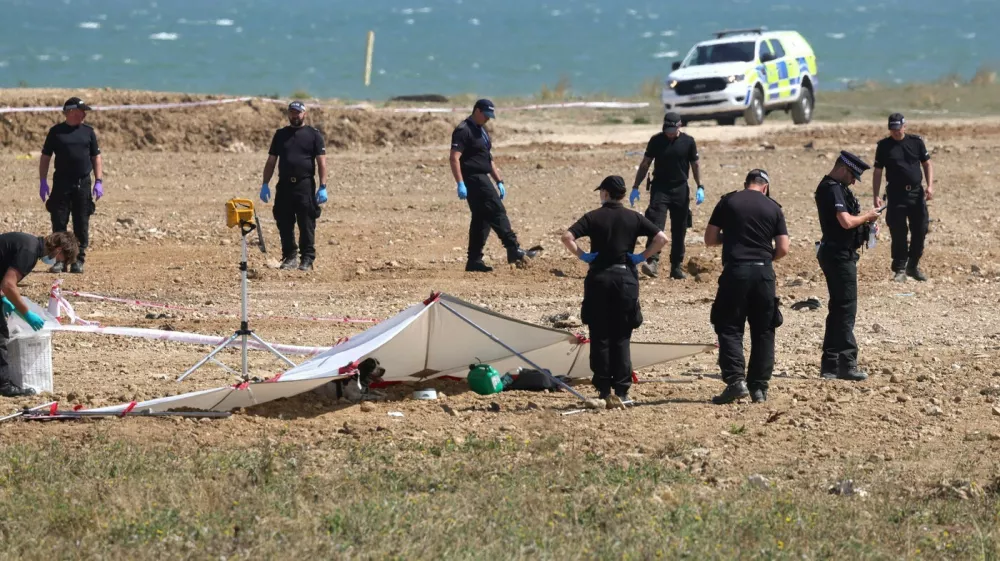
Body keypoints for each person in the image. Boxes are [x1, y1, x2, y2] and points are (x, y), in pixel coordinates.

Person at [560, 175, 668, 408]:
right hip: (625, 279)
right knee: (622, 336)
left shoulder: (593, 217)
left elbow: (567, 237)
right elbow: (661, 238)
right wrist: (642, 257)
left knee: (599, 335)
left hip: (599, 278)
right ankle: (622, 390)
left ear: (606, 193)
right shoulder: (633, 217)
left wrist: (582, 255)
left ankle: (603, 390)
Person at [704, 169, 790, 404]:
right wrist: (764, 257)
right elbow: (783, 248)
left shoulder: (728, 201)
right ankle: (759, 388)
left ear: (746, 184)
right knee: (764, 329)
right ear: (765, 187)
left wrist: (732, 236)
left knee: (729, 326)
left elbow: (710, 239)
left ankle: (735, 381)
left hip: (735, 271)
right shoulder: (773, 207)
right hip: (763, 272)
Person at [450, 99, 538, 272]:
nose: (488, 119)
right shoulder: (463, 130)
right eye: (486, 115)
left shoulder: (482, 132)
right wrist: (460, 182)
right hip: (473, 178)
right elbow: (454, 157)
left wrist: (499, 181)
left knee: (481, 219)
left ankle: (474, 261)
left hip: (483, 176)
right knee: (497, 210)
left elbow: (488, 159)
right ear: (477, 111)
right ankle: (513, 249)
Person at [815, 151, 881, 381]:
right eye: (853, 175)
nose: (853, 181)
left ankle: (830, 365)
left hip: (840, 253)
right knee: (845, 310)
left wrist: (867, 226)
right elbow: (845, 222)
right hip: (838, 255)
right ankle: (846, 363)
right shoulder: (832, 188)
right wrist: (866, 217)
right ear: (843, 168)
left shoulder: (836, 188)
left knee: (838, 310)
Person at [0, 232, 79, 397]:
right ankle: (4, 385)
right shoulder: (29, 251)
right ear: (58, 249)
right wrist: (26, 313)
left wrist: (3, 298)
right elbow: (9, 284)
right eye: (60, 258)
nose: (57, 262)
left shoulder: (29, 244)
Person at [630, 111, 704, 280]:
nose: (669, 134)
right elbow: (645, 164)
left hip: (680, 189)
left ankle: (676, 267)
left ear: (679, 126)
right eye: (666, 130)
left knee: (680, 229)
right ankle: (652, 262)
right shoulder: (656, 140)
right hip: (660, 188)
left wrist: (700, 186)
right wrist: (636, 186)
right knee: (655, 225)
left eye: (672, 130)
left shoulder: (688, 142)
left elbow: (695, 165)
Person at [260, 101, 328, 271]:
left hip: (304, 185)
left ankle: (307, 258)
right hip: (284, 185)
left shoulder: (313, 135)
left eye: (298, 113)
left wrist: (323, 186)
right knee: (284, 221)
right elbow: (271, 161)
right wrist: (265, 184)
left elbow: (322, 163)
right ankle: (290, 256)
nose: (294, 116)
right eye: (292, 112)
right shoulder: (280, 135)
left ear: (304, 114)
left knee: (306, 222)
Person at [39, 97, 103, 274]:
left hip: (82, 183)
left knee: (81, 222)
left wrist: (98, 181)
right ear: (71, 112)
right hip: (61, 183)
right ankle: (59, 261)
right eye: (82, 111)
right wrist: (43, 181)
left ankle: (78, 260)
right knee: (59, 222)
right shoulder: (56, 132)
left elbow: (96, 157)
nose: (84, 114)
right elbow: (45, 157)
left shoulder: (88, 132)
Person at [873, 113, 934, 282]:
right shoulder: (884, 146)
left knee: (920, 229)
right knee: (898, 232)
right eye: (892, 129)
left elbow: (927, 164)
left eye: (898, 128)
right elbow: (878, 172)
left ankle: (912, 265)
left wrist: (930, 186)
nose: (895, 132)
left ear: (904, 127)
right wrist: (875, 195)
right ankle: (900, 268)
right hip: (895, 194)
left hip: (916, 193)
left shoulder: (916, 142)